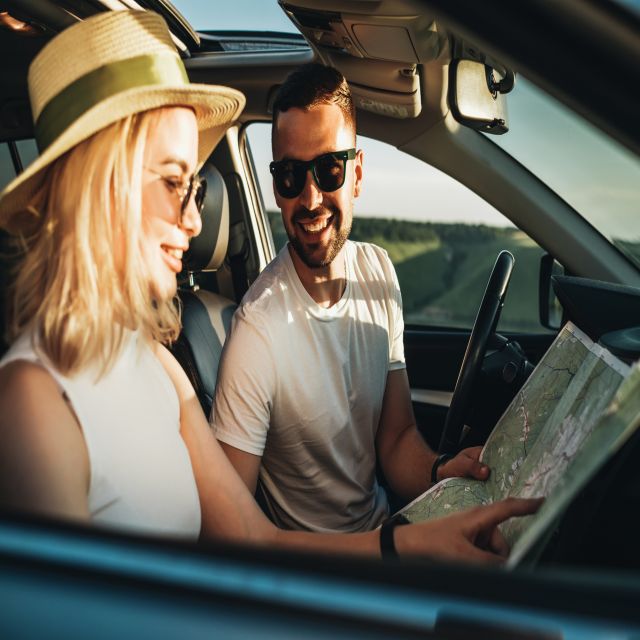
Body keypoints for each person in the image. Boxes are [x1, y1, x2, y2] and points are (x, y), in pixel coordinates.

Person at [0, 10, 539, 563]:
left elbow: (249, 539)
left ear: (356, 174)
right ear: (97, 188)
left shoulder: (157, 367)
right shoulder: (34, 399)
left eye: (194, 190)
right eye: (171, 183)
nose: (191, 220)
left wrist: (415, 538)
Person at [211, 64, 491, 533]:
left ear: (356, 174)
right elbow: (230, 529)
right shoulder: (257, 332)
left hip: (383, 528)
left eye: (328, 169)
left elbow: (397, 439)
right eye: (290, 176)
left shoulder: (378, 273)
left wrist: (443, 473)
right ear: (276, 187)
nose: (311, 197)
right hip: (327, 574)